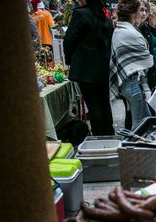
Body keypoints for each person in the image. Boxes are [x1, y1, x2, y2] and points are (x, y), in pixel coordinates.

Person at [64, 0, 114, 136]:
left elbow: (69, 40)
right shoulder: (107, 20)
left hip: (85, 68)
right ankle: (108, 134)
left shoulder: (81, 14)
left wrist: (69, 60)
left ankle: (98, 136)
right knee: (104, 103)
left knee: (93, 105)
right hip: (103, 68)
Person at [110, 0, 153, 130]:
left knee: (147, 119)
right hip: (132, 84)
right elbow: (148, 61)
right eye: (140, 10)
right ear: (133, 13)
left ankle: (142, 147)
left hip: (128, 83)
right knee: (139, 123)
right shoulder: (130, 33)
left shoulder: (120, 29)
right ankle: (133, 148)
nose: (142, 14)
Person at [139, 6, 156, 92]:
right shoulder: (143, 28)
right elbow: (149, 51)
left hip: (151, 67)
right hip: (145, 70)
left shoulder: (146, 28)